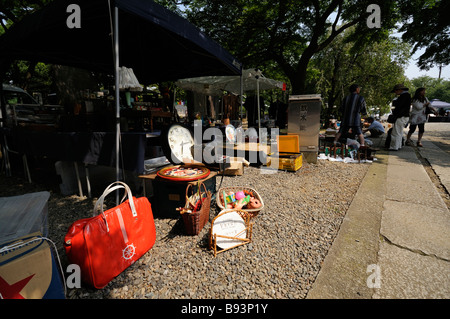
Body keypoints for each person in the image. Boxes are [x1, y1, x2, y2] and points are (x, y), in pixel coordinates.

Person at [389, 84, 411, 151]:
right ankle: (398, 146)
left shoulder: (404, 96)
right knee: (399, 132)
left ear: (399, 90)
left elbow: (400, 107)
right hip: (404, 116)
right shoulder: (406, 96)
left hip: (401, 116)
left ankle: (394, 147)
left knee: (396, 132)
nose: (395, 93)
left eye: (396, 91)